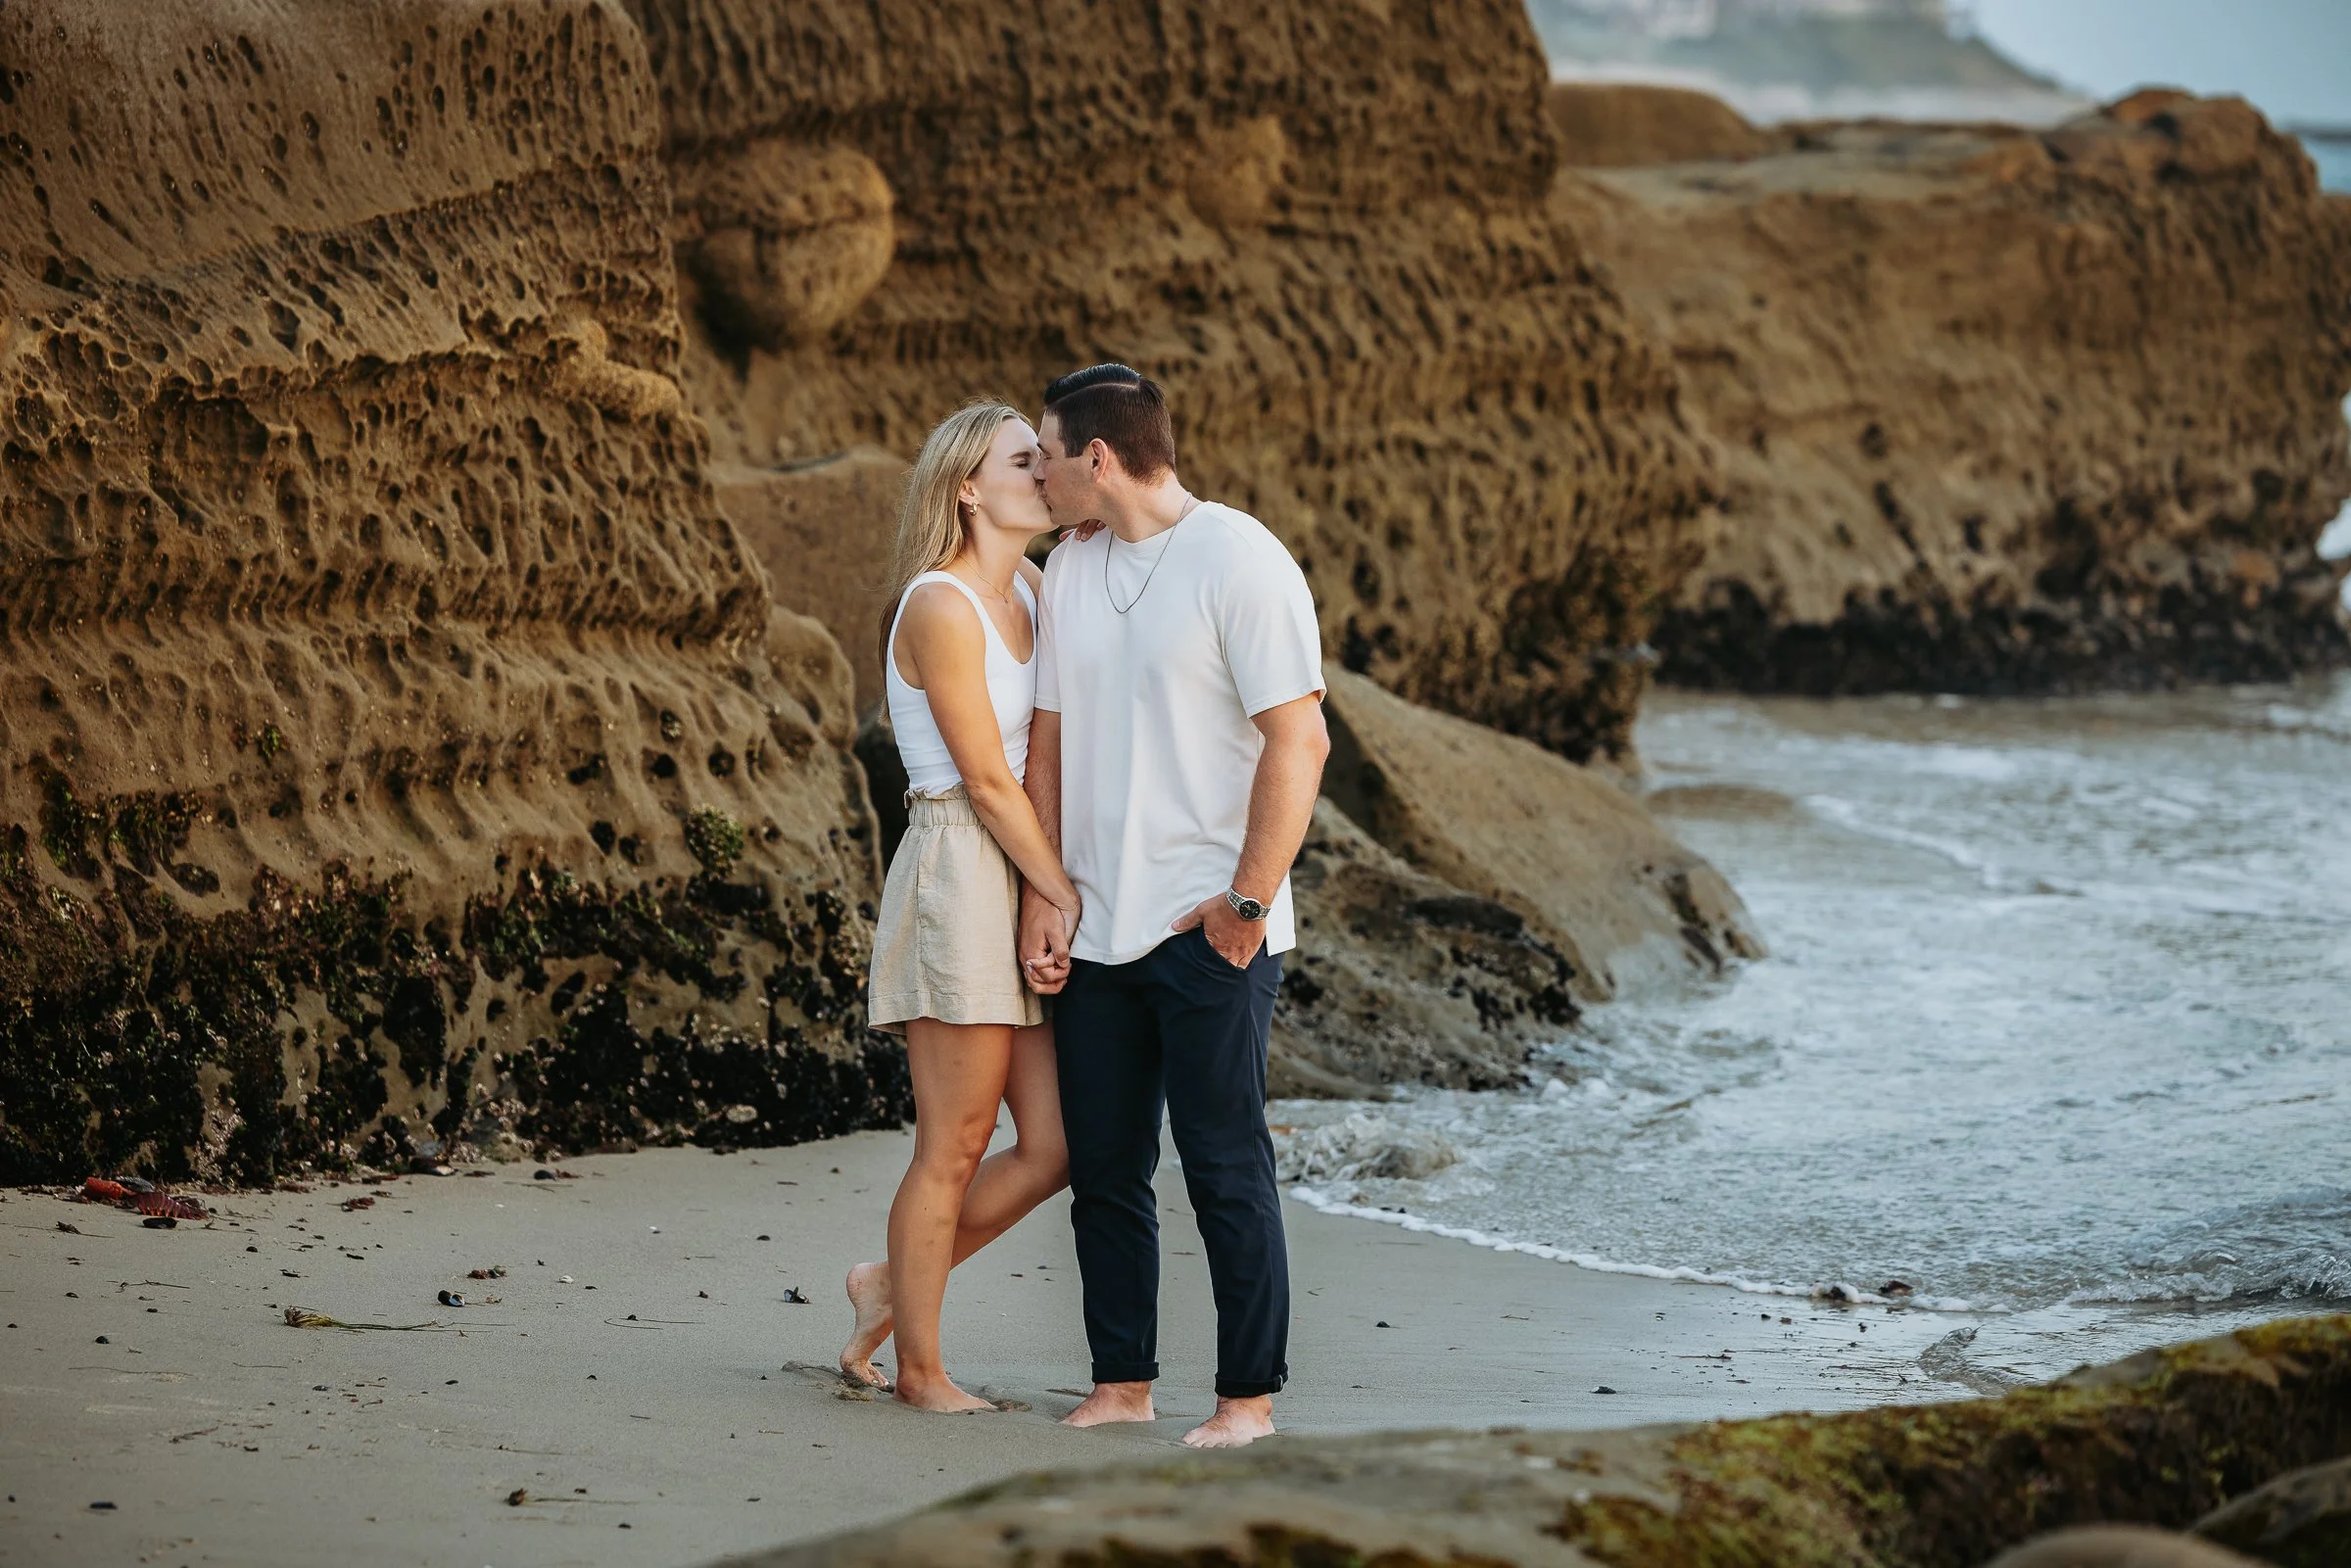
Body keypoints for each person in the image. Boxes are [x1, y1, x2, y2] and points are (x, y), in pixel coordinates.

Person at [1021, 364, 1329, 1449]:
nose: (1038, 473)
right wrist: (1047, 892)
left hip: (1210, 930)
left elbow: (1301, 738)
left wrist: (1249, 900)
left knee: (1223, 1163)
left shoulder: (1239, 557)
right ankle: (1122, 1381)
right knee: (1106, 1167)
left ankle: (1248, 1397)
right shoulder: (1069, 566)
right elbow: (1048, 740)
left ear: (1099, 457)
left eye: (1047, 454)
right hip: (1098, 925)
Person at [840, 401, 1082, 1413]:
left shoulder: (1029, 586)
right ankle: (921, 1372)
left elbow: (1040, 758)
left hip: (1017, 861)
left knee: (1058, 1142)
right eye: (1024, 459)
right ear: (968, 487)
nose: (1047, 469)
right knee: (953, 1139)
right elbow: (985, 779)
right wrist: (1056, 887)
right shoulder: (940, 604)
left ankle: (890, 1284)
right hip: (959, 861)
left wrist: (1046, 883)